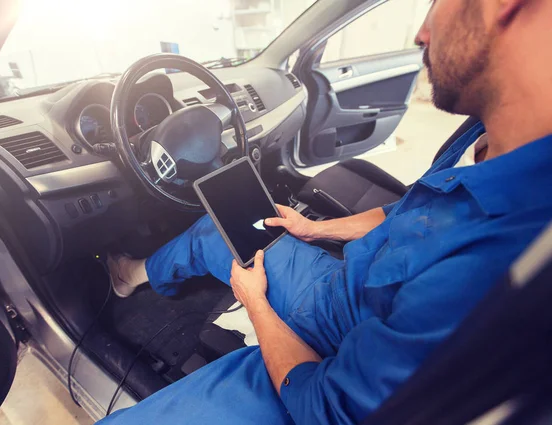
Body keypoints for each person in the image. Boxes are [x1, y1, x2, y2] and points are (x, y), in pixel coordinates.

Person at [99, 0, 552, 423]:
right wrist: (314, 229)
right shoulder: (484, 129)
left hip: (328, 370)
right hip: (342, 288)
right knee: (215, 230)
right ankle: (132, 274)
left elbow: (326, 409)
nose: (421, 33)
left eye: (438, 4)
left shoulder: (502, 264)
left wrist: (255, 303)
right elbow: (415, 209)